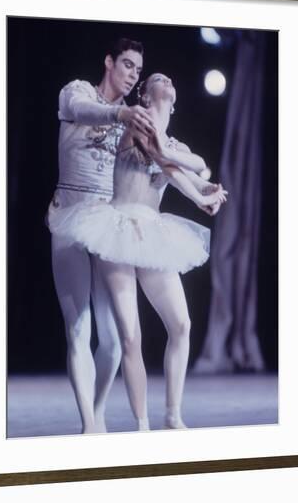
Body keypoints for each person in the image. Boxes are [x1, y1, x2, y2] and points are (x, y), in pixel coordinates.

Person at [49, 73, 227, 430]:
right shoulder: (138, 127)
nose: (167, 80)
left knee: (182, 324)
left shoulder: (172, 142)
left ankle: (173, 414)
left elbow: (189, 164)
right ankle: (142, 424)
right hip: (117, 229)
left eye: (169, 80)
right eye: (158, 79)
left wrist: (209, 190)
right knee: (130, 336)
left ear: (174, 101)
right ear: (145, 95)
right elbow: (165, 162)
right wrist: (198, 196)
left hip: (152, 232)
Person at [47, 38, 156, 434]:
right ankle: (89, 425)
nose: (132, 74)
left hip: (105, 223)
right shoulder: (77, 92)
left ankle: (97, 412)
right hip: (69, 215)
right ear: (109, 62)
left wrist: (200, 186)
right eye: (127, 65)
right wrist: (120, 114)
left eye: (138, 70)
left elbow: (157, 160)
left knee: (112, 340)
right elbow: (82, 111)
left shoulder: (133, 119)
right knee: (78, 327)